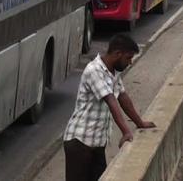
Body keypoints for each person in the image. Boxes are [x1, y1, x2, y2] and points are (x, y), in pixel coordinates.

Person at [62, 34, 156, 181]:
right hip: (80, 142)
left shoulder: (113, 72)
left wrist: (140, 123)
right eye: (128, 58)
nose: (130, 62)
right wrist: (125, 131)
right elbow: (111, 100)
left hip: (97, 143)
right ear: (118, 54)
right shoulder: (94, 70)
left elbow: (123, 98)